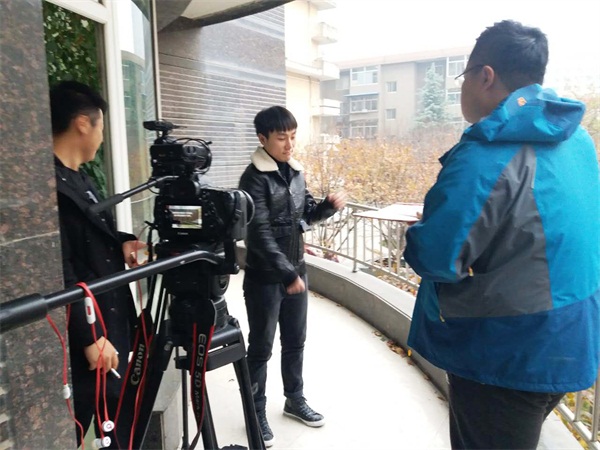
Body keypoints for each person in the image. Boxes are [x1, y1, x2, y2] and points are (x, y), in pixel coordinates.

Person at [403, 20, 600, 450]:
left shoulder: (484, 155)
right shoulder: (579, 140)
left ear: (485, 76)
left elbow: (436, 258)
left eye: (463, 76)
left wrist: (420, 230)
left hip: (505, 353)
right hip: (574, 338)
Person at [238, 106, 346, 447]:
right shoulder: (253, 179)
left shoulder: (295, 172)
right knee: (260, 348)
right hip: (266, 278)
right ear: (263, 138)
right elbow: (258, 234)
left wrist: (326, 207)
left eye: (293, 137)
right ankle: (255, 411)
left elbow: (305, 216)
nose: (289, 145)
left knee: (295, 342)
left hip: (296, 272)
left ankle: (294, 399)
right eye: (282, 138)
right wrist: (286, 273)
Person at [50, 80, 144, 448]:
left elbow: (92, 237)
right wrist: (90, 338)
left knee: (116, 417)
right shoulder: (50, 187)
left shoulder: (80, 178)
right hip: (87, 333)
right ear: (82, 124)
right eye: (101, 126)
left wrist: (124, 243)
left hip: (109, 319)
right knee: (78, 423)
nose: (103, 136)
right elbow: (60, 268)